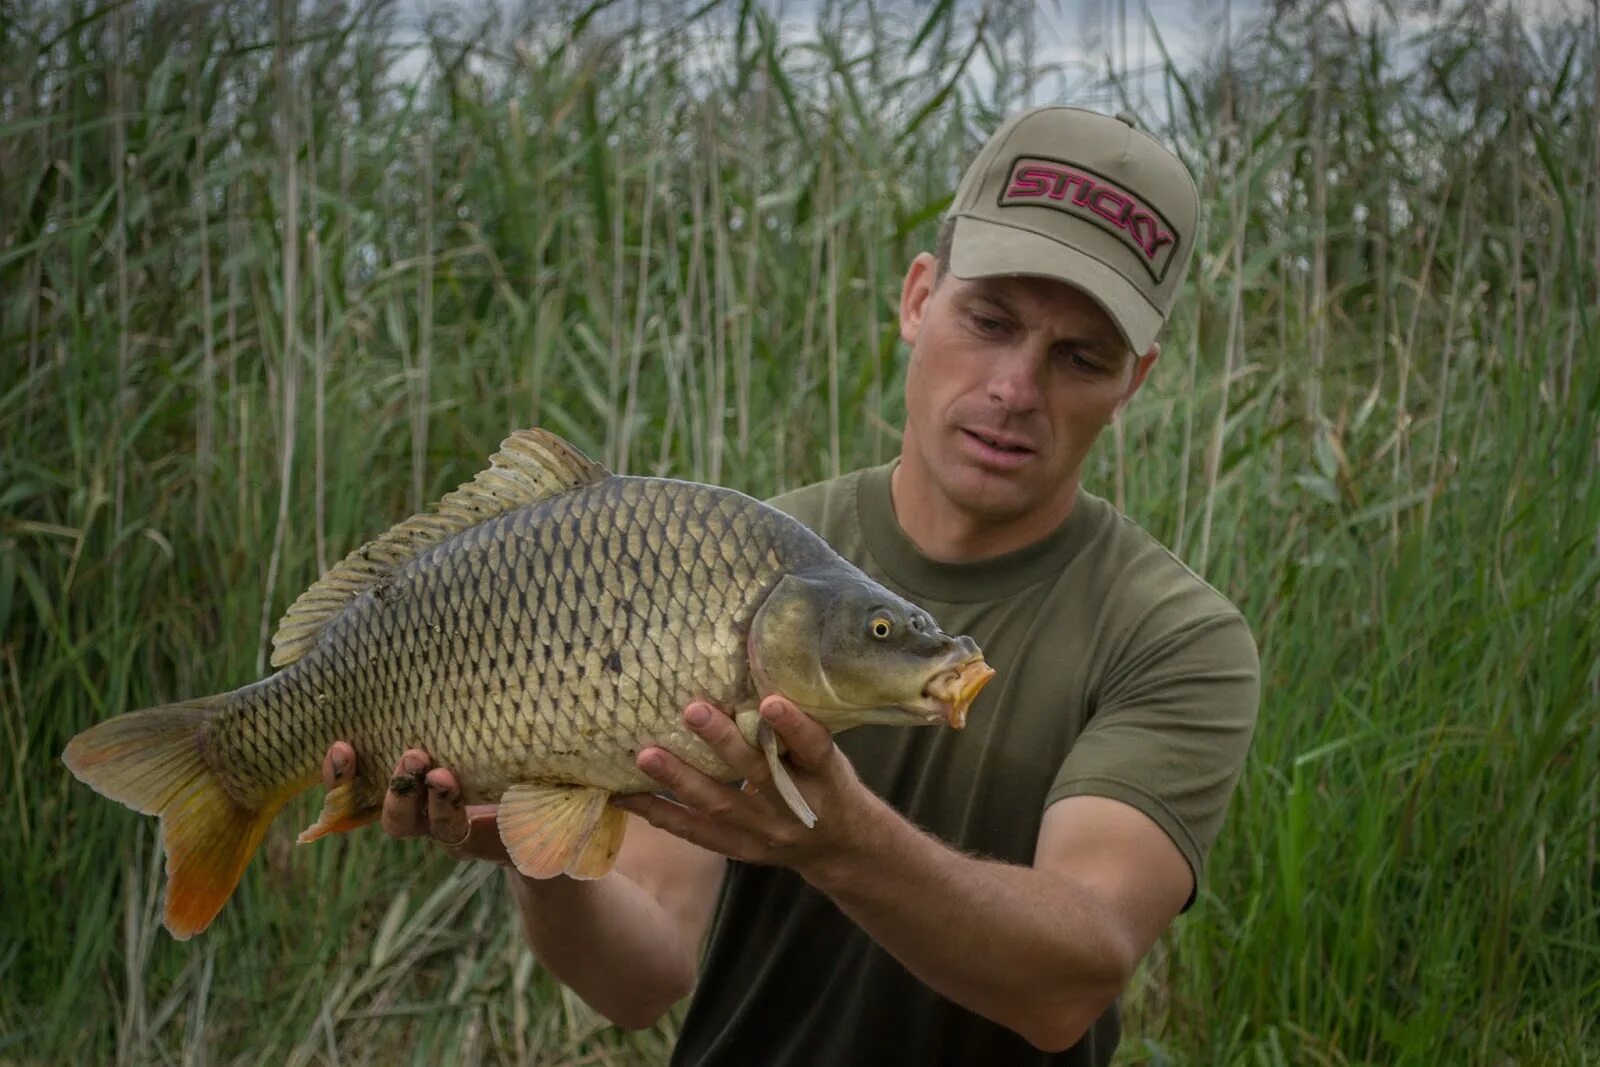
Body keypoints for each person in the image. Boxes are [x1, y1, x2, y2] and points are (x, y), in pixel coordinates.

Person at [320, 106, 1259, 1065]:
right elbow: (639, 979)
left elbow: (1069, 981)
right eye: (990, 321)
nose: (1016, 388)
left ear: (1132, 382)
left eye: (1079, 357)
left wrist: (838, 841)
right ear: (918, 300)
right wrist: (530, 854)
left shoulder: (1175, 636)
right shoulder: (716, 568)